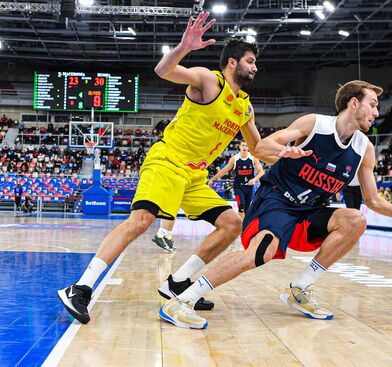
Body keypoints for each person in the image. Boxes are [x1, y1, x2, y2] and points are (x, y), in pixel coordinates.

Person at [159, 80, 392, 329]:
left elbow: (371, 199)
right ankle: (183, 300)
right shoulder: (315, 124)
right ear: (353, 102)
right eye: (372, 104)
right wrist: (284, 150)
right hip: (275, 199)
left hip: (308, 211)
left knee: (355, 220)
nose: (376, 112)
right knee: (262, 251)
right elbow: (263, 146)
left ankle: (300, 288)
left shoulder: (364, 148)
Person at [57, 11, 263, 324]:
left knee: (232, 223)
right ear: (232, 62)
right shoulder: (211, 82)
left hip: (194, 176)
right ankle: (80, 288)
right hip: (167, 161)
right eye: (250, 60)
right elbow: (164, 70)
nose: (255, 67)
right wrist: (183, 48)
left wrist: (293, 151)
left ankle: (177, 283)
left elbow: (259, 147)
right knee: (141, 220)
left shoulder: (244, 106)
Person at [208, 140, 264, 218]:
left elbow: (261, 172)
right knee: (241, 206)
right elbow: (224, 170)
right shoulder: (234, 159)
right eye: (243, 145)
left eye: (246, 146)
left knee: (246, 209)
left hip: (249, 187)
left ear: (249, 147)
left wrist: (254, 179)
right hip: (238, 186)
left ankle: (244, 225)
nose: (245, 147)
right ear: (240, 146)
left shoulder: (253, 158)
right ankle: (241, 227)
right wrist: (213, 179)